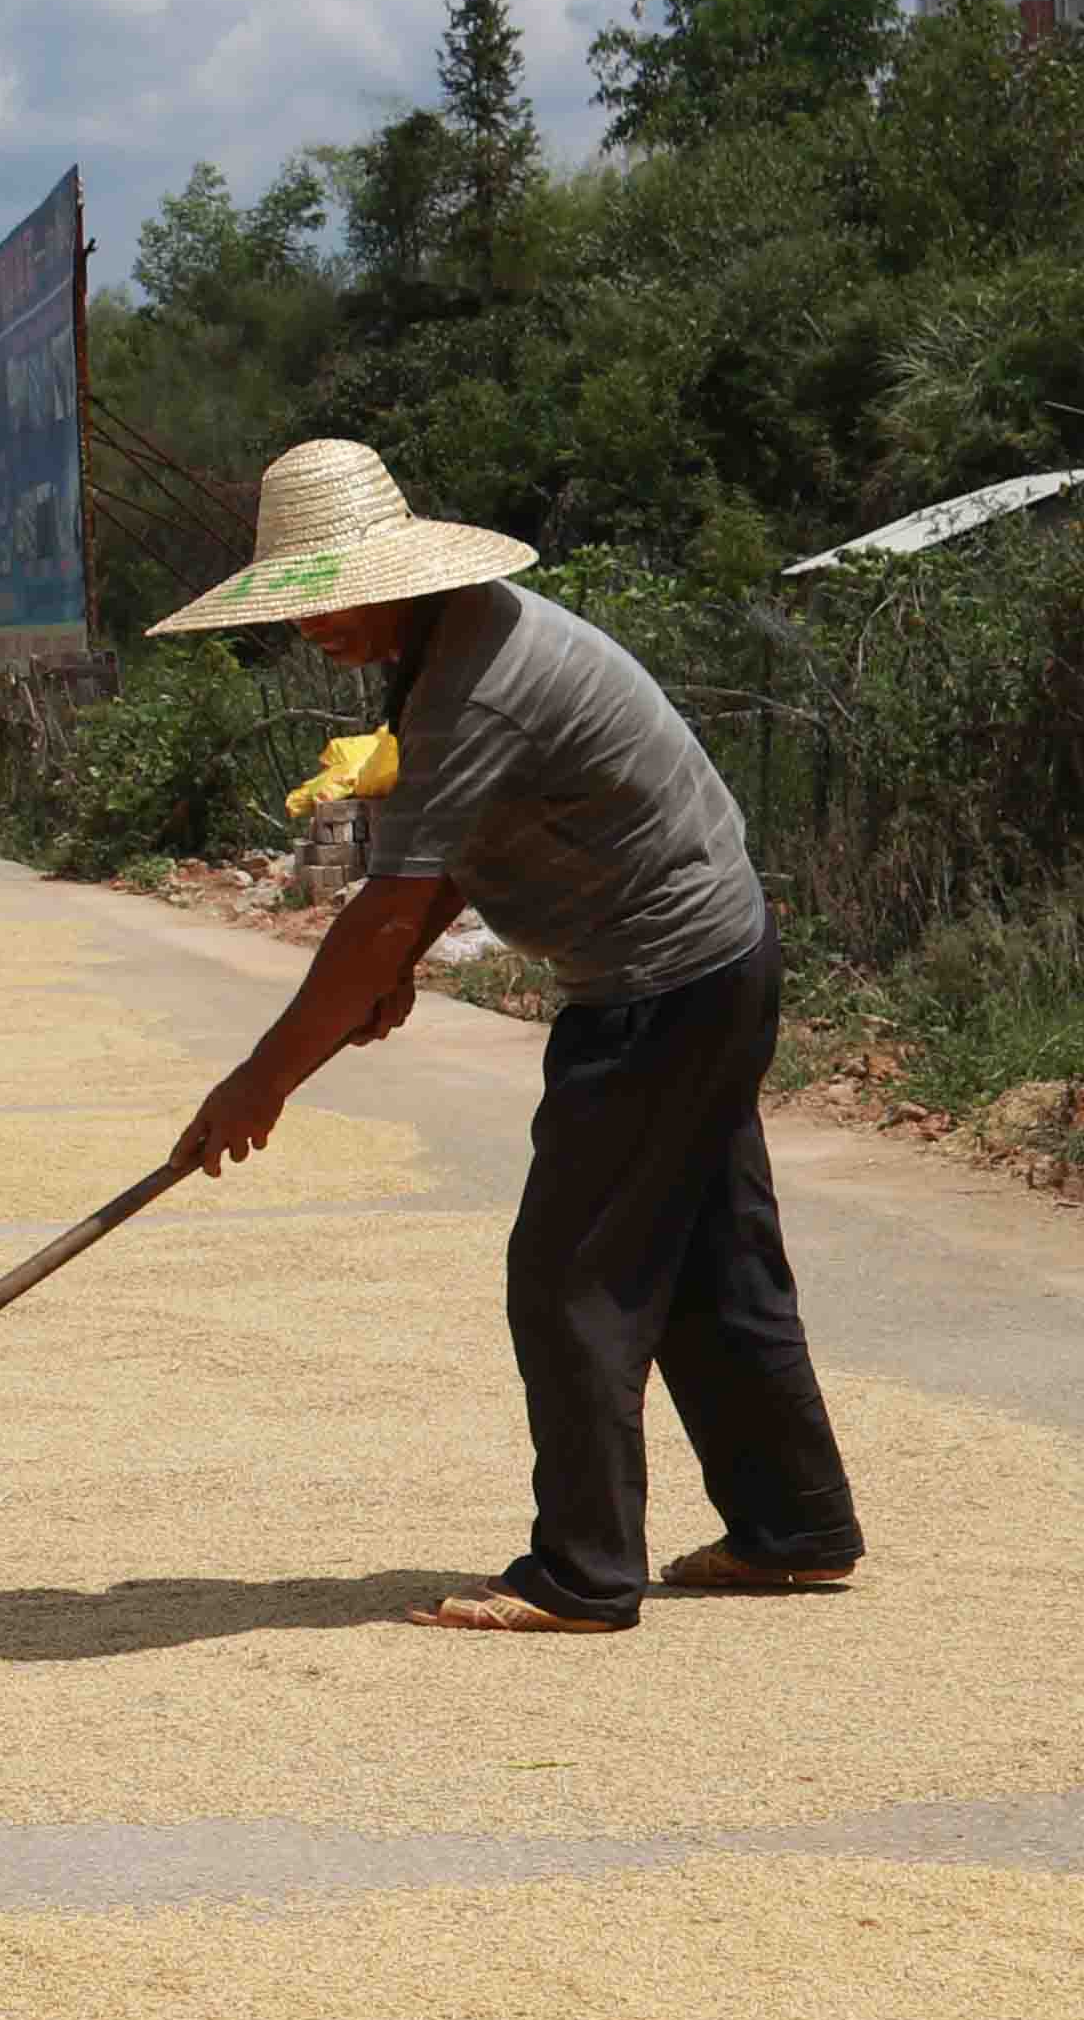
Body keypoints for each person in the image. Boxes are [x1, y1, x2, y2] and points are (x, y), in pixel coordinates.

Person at [158, 437, 863, 1630]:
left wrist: (259, 1082)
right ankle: (793, 1527)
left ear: (399, 569)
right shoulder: (448, 647)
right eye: (302, 603)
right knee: (707, 1260)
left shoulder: (477, 672)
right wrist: (390, 970)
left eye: (334, 596)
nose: (315, 625)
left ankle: (584, 1573)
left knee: (572, 1273)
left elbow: (383, 913)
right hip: (711, 959)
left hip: (663, 981)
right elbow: (431, 873)